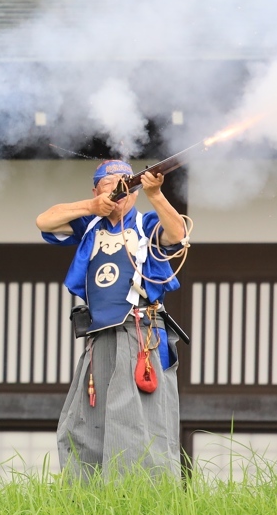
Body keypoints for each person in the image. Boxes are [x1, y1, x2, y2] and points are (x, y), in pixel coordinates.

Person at [36, 159, 189, 480]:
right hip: (98, 334)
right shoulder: (90, 223)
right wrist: (90, 207)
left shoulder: (146, 223)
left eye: (126, 182)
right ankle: (86, 498)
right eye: (110, 183)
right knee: (86, 418)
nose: (121, 188)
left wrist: (156, 195)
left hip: (141, 331)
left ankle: (143, 498)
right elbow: (45, 221)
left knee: (138, 420)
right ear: (97, 190)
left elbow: (176, 234)